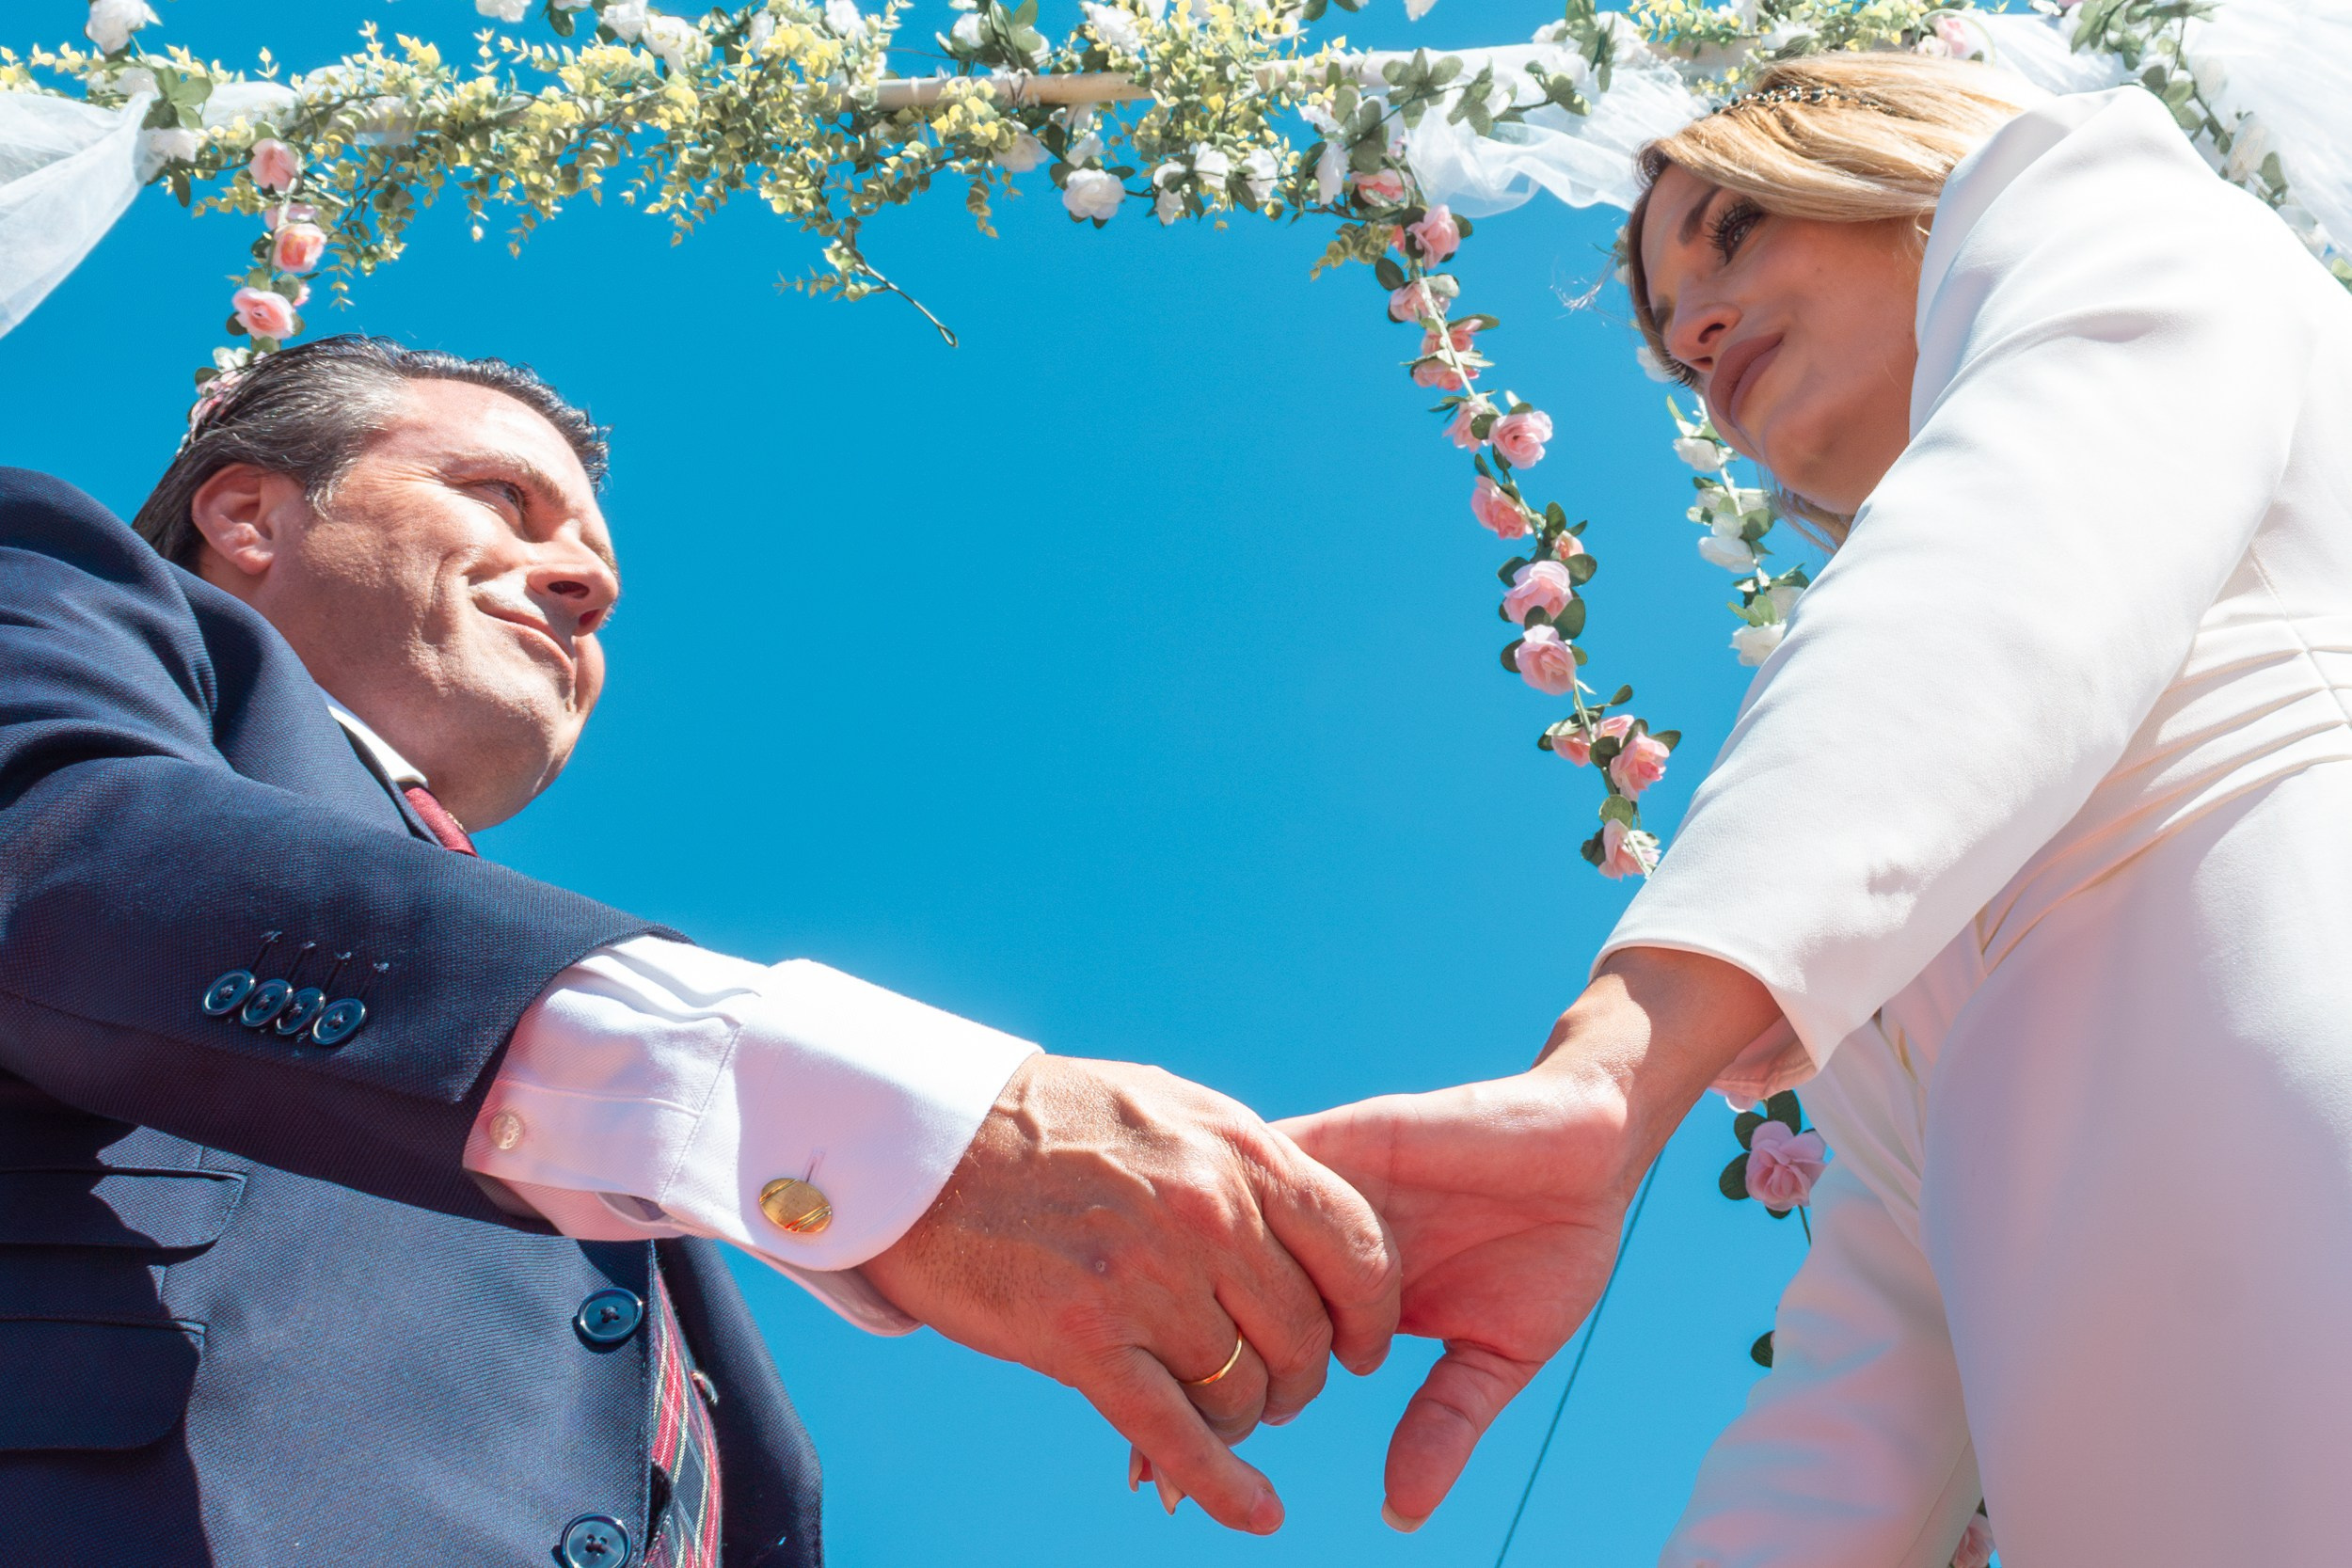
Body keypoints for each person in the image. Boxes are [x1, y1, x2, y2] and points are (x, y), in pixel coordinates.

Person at [0, 336, 1401, 1566]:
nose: (586, 583)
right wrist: (910, 1137)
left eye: (599, 559)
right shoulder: (54, 592)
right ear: (247, 511)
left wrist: (1296, 1234)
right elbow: (72, 852)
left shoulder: (596, 1120)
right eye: (504, 498)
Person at [1282, 50, 2352, 1565]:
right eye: (1665, 333)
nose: (1695, 330)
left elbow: (2016, 550)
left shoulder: (2125, 214)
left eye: (1734, 230)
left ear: (1913, 176)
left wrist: (1617, 1067)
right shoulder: (1885, 791)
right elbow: (1863, 1387)